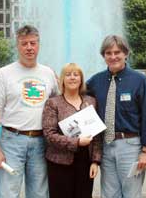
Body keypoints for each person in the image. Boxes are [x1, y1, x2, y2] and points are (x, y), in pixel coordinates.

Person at [0, 25, 59, 198]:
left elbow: (58, 105)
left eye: (33, 43)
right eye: (24, 43)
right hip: (12, 141)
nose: (29, 47)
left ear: (39, 45)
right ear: (17, 46)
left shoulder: (48, 73)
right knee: (7, 193)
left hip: (41, 142)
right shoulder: (3, 74)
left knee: (40, 193)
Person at [87, 35, 146, 198]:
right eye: (108, 53)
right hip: (106, 145)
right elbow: (74, 92)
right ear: (103, 56)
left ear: (126, 53)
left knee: (131, 194)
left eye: (117, 52)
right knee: (109, 195)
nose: (113, 57)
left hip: (131, 146)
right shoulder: (96, 81)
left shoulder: (140, 81)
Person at [42, 63, 102, 198]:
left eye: (76, 74)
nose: (72, 78)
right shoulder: (53, 103)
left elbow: (97, 134)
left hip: (85, 162)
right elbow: (49, 135)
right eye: (68, 75)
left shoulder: (91, 101)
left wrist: (95, 161)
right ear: (62, 79)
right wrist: (77, 142)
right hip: (59, 163)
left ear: (81, 79)